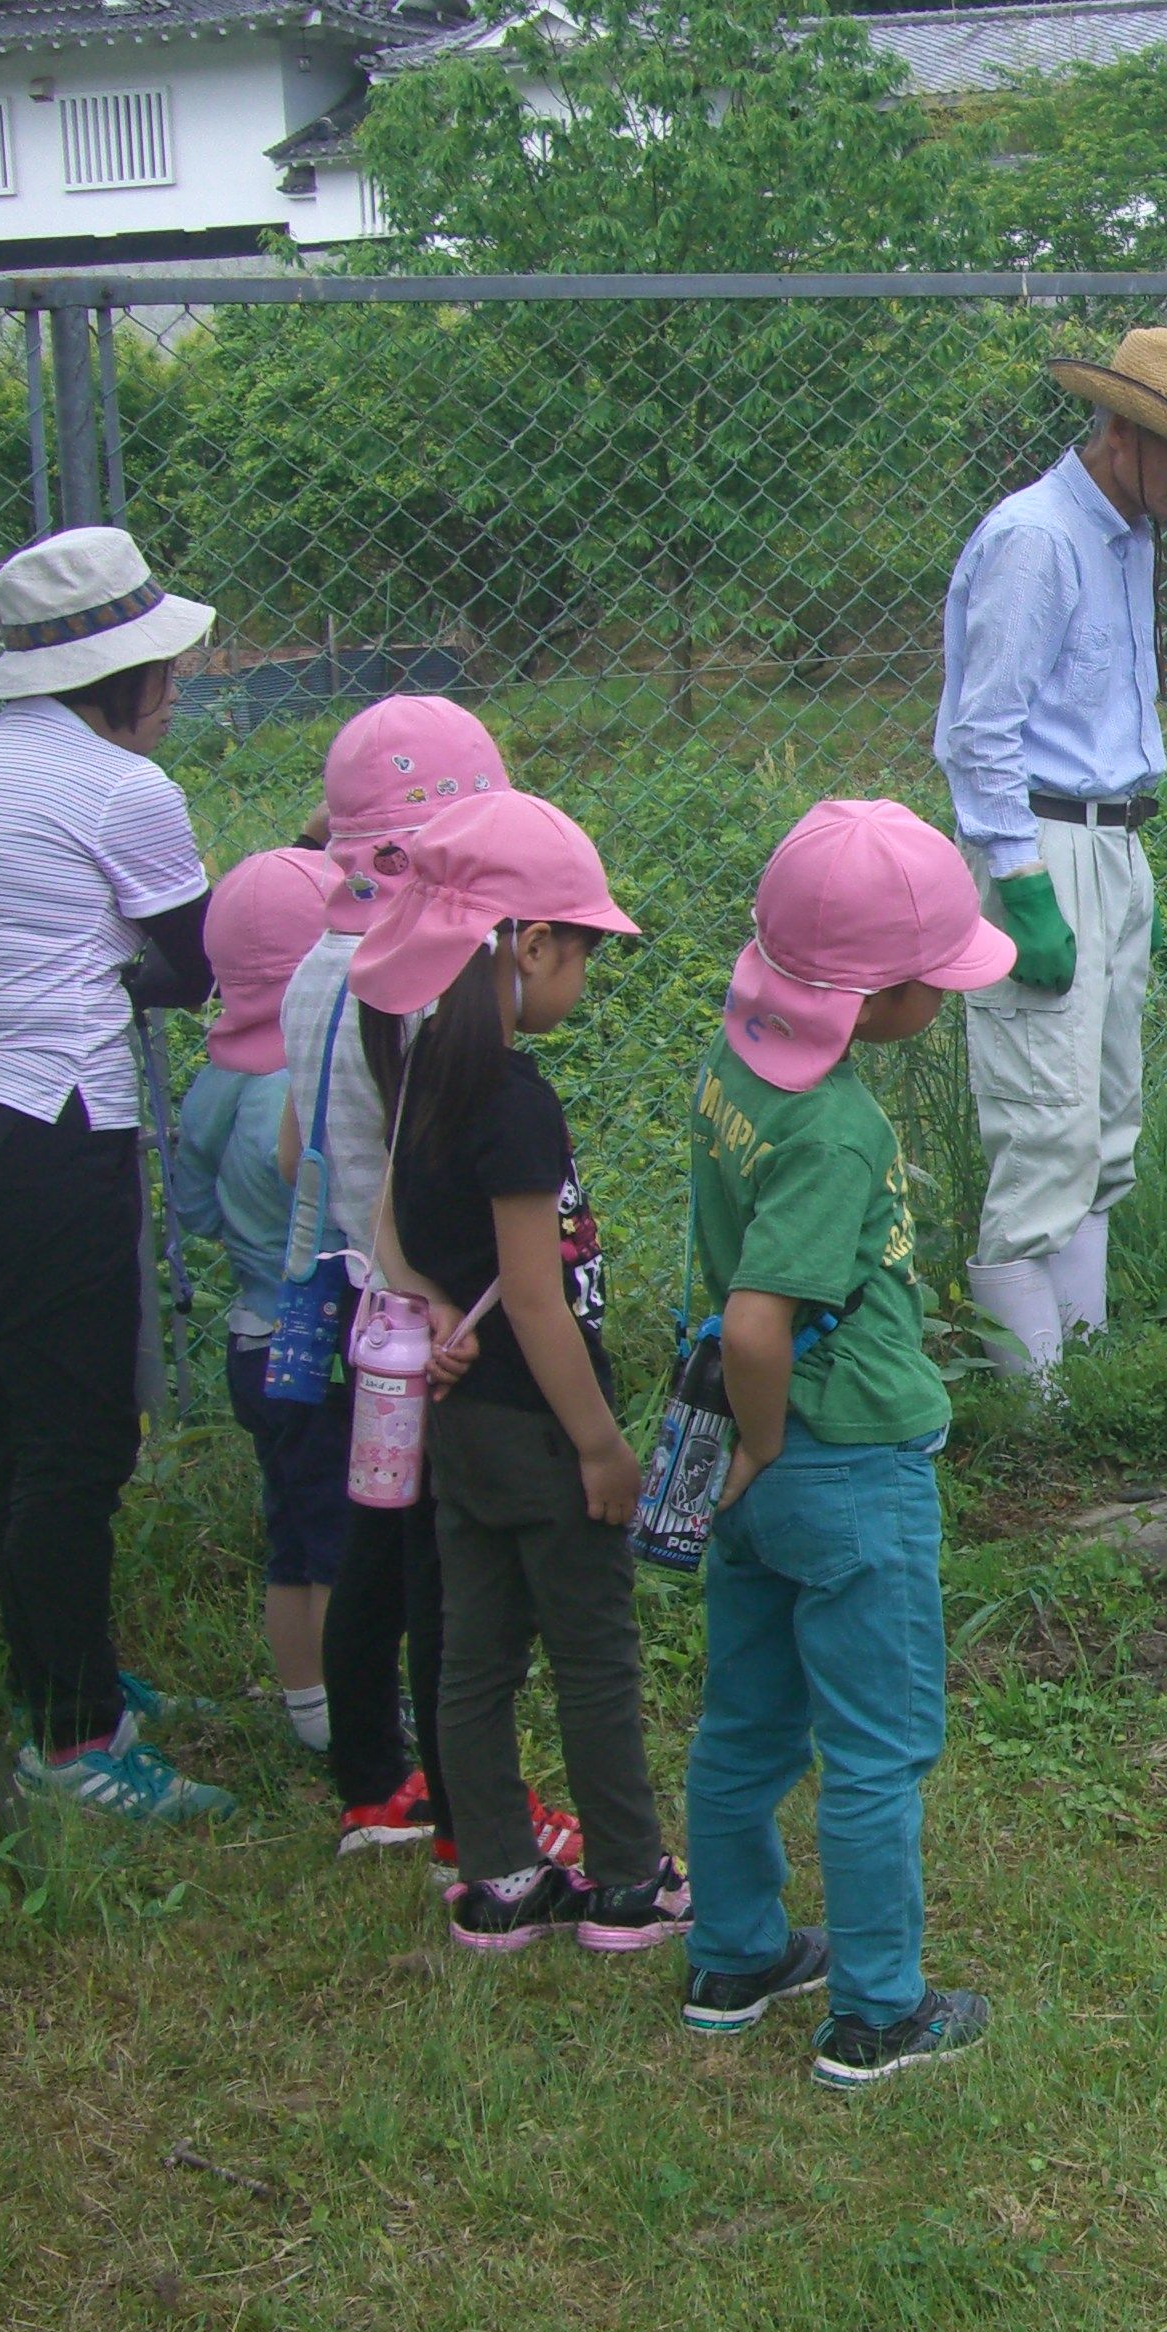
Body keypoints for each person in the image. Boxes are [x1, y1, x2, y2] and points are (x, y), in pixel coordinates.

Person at [682, 800, 1017, 2091]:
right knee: (876, 1748)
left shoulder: (736, 1065)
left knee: (747, 1721)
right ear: (874, 998)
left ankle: (735, 1956)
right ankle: (878, 2013)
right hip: (841, 1467)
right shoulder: (838, 1128)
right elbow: (764, 1325)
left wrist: (743, 1458)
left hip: (753, 1474)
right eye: (933, 979)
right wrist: (765, 1441)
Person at [0, 526, 231, 1819]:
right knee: (78, 1439)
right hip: (55, 1134)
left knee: (18, 1415)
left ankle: (71, 1669)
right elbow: (194, 968)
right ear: (122, 682)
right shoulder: (125, 793)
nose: (175, 687)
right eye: (163, 668)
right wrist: (114, 965)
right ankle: (76, 1744)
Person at [348, 792, 676, 1955]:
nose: (582, 973)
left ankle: (496, 1878)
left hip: (459, 1437)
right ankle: (631, 1882)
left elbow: (384, 1226)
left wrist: (433, 1306)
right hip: (541, 1429)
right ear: (531, 944)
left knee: (476, 1655)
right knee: (593, 1650)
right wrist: (600, 1443)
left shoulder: (424, 1067)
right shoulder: (515, 1102)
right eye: (581, 949)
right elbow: (537, 1300)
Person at [935, 324, 1167, 1375]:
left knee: (1104, 1124)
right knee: (1045, 1125)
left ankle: (1084, 1371)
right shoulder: (1036, 539)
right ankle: (1033, 1414)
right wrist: (1023, 883)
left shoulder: (1128, 536)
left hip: (1109, 840)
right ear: (1126, 435)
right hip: (1039, 842)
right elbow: (980, 731)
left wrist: (1119, 869)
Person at [277, 695, 540, 1861]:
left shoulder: (308, 970)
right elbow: (425, 1165)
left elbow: (300, 1148)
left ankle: (373, 1779)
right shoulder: (416, 978)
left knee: (366, 1546)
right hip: (418, 1312)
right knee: (445, 1566)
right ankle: (464, 1800)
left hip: (335, 1295)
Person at [167, 848, 350, 1762]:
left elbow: (194, 1210)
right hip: (322, 1346)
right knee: (338, 1538)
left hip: (251, 1334)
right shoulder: (308, 1087)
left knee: (290, 1530)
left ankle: (306, 1706)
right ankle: (354, 1720)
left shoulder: (215, 1086)